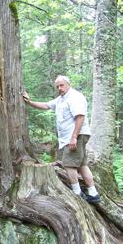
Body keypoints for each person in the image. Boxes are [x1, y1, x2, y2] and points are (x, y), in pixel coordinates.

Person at [22, 75, 100, 203]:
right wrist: (29, 102)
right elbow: (46, 105)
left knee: (69, 164)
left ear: (68, 84)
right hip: (71, 137)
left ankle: (77, 193)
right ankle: (93, 193)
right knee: (81, 164)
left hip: (75, 135)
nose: (59, 88)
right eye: (57, 86)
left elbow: (80, 117)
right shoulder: (61, 99)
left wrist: (74, 137)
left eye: (61, 85)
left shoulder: (75, 97)